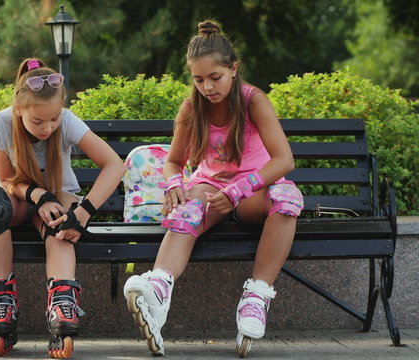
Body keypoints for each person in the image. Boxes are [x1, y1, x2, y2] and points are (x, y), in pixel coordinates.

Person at [123, 20, 303, 357]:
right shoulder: (193, 107)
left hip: (253, 191)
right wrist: (174, 185)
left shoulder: (253, 100)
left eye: (214, 77)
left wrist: (238, 191)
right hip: (209, 188)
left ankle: (256, 297)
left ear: (233, 69)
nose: (207, 86)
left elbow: (283, 160)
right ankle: (159, 288)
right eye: (198, 79)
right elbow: (174, 162)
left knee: (286, 197)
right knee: (188, 207)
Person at [0, 58, 126, 358]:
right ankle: (2, 297)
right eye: (38, 121)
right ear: (19, 109)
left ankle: (62, 303)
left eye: (54, 118)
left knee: (64, 222)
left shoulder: (66, 121)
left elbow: (115, 165)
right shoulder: (1, 123)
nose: (48, 127)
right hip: (16, 198)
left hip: (60, 195)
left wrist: (82, 214)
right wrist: (38, 196)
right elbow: (5, 180)